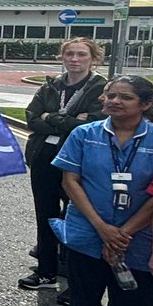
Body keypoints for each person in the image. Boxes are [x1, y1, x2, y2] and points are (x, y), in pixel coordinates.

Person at [50, 76, 153, 306]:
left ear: (145, 104)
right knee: (84, 299)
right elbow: (71, 181)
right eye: (110, 95)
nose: (113, 101)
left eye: (124, 97)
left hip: (137, 239)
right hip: (88, 231)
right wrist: (101, 227)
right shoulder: (84, 134)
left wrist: (124, 232)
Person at [20, 38, 106, 291]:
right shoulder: (51, 86)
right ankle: (46, 271)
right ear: (62, 57)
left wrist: (52, 117)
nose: (75, 59)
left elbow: (90, 126)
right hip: (44, 156)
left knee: (76, 214)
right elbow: (32, 119)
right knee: (45, 212)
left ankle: (73, 270)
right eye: (70, 54)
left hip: (79, 159)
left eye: (81, 54)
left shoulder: (100, 88)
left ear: (93, 58)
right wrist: (67, 119)